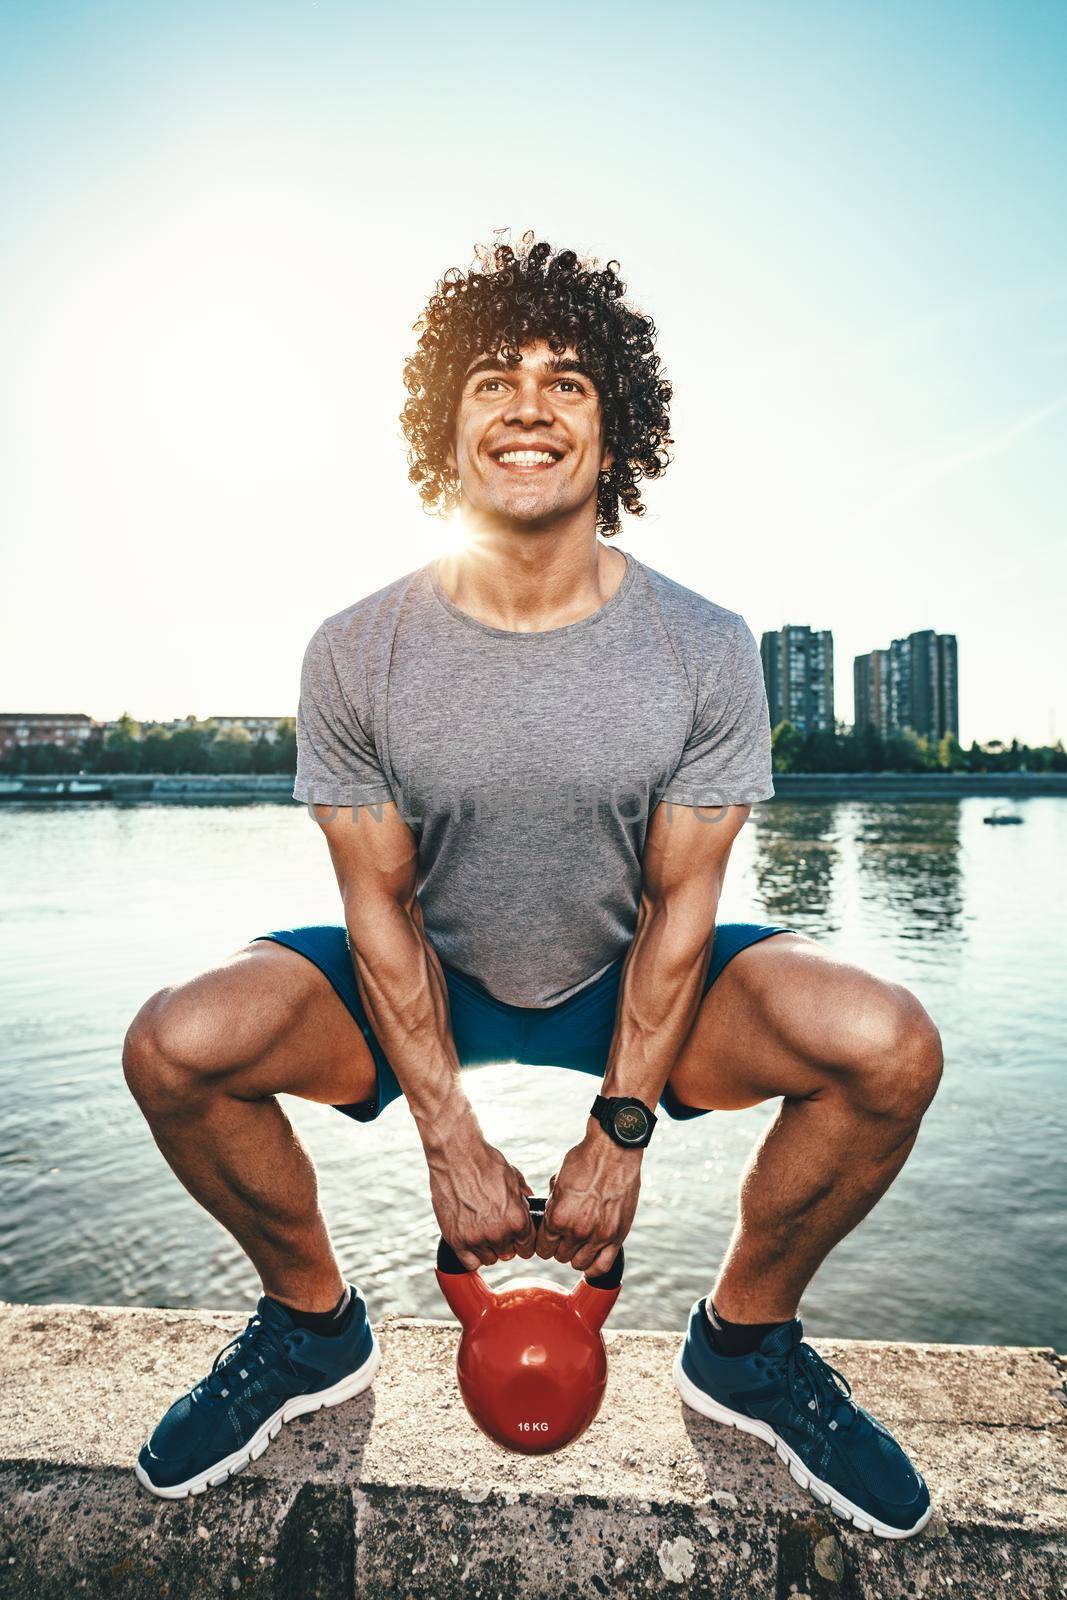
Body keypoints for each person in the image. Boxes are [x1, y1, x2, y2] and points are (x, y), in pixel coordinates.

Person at [124, 234, 942, 1538]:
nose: (529, 404)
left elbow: (683, 911)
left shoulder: (708, 647)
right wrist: (447, 1139)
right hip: (430, 969)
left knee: (888, 1047)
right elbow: (377, 905)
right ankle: (307, 1327)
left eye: (568, 381)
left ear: (616, 432)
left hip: (630, 972)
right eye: (494, 378)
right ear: (443, 428)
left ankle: (748, 1348)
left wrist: (619, 1142)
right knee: (176, 1046)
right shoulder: (352, 649)